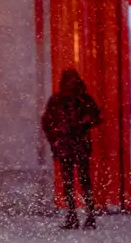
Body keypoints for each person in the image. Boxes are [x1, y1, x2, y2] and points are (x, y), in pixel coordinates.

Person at [41, 68, 102, 230]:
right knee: (77, 181)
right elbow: (47, 122)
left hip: (72, 144)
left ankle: (81, 215)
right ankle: (80, 215)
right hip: (69, 145)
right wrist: (57, 138)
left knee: (77, 181)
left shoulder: (75, 100)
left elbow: (96, 117)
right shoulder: (64, 100)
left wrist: (81, 125)